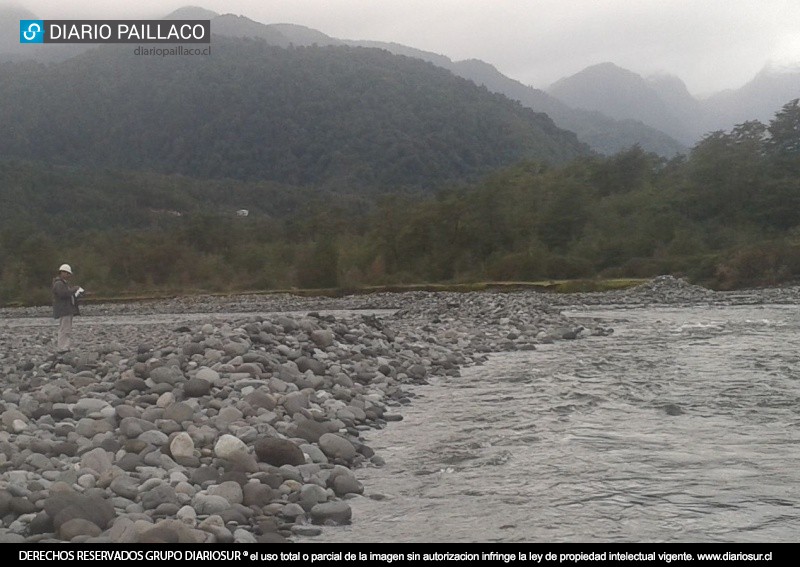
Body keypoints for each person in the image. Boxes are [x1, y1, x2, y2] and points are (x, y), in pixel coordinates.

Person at [52, 263, 83, 353]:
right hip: (64, 310)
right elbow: (63, 294)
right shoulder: (59, 284)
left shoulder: (63, 283)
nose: (69, 275)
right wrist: (74, 289)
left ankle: (65, 346)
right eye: (67, 273)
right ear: (62, 273)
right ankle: (62, 348)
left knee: (67, 329)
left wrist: (77, 294)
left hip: (67, 309)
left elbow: (68, 294)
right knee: (64, 329)